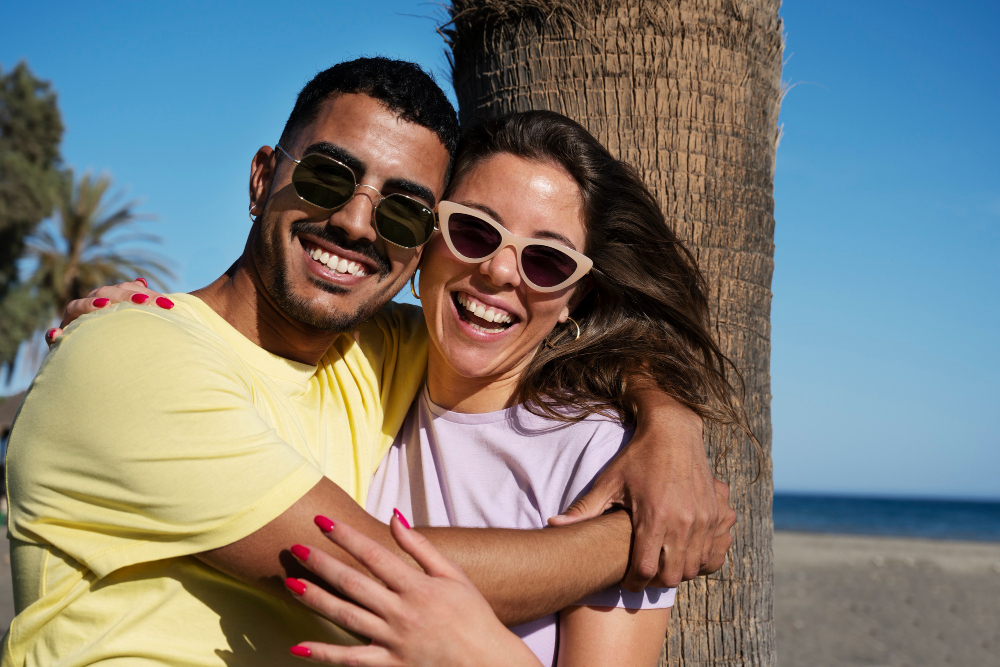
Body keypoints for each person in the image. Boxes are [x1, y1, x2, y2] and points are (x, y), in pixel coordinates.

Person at [6, 58, 732, 666]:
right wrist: (630, 536)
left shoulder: (379, 349)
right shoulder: (135, 354)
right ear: (262, 177)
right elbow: (362, 563)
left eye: (401, 211)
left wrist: (671, 421)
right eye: (327, 177)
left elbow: (537, 335)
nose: (356, 223)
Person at [275, 111, 750, 666]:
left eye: (546, 261)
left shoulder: (601, 460)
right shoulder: (361, 360)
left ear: (574, 295)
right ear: (429, 235)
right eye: (473, 230)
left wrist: (477, 654)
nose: (500, 271)